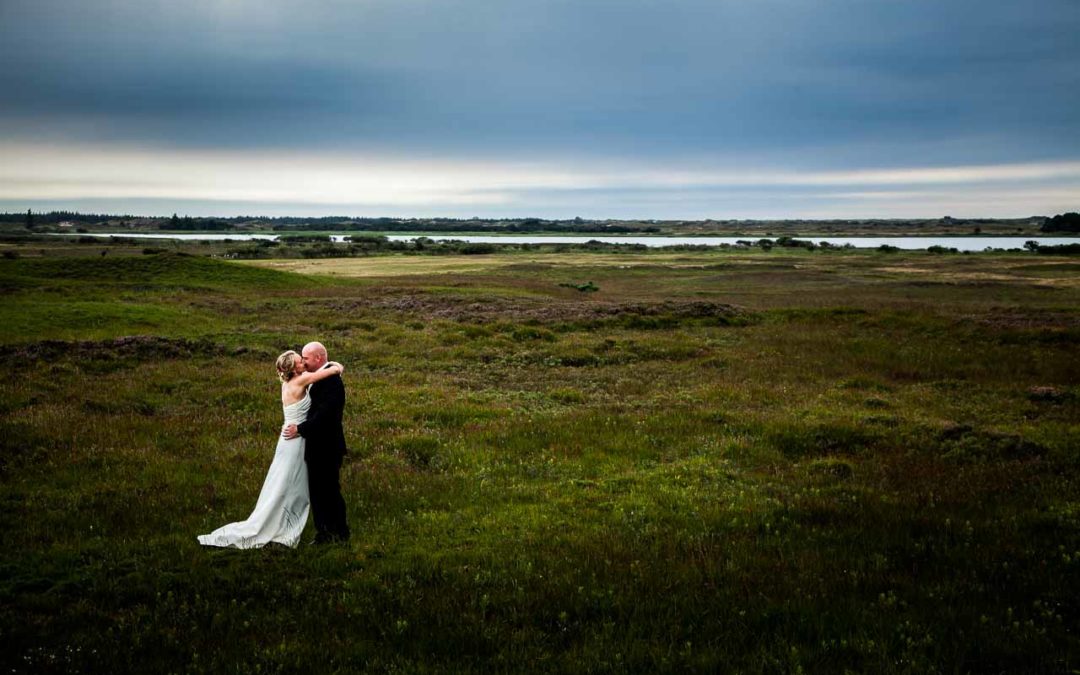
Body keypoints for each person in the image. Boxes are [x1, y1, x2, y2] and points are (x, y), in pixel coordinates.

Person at [197, 350, 344, 549]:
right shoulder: (303, 380)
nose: (304, 364)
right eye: (301, 362)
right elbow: (327, 372)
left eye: (304, 360)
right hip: (296, 436)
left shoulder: (288, 383)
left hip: (288, 437)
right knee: (287, 482)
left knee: (282, 481)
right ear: (293, 368)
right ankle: (281, 522)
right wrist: (336, 366)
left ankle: (283, 518)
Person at [282, 341, 350, 544]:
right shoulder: (314, 376)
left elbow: (326, 414)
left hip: (328, 445)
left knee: (329, 490)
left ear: (319, 359)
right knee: (317, 491)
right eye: (301, 358)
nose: (303, 361)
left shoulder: (332, 381)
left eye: (306, 358)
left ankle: (340, 532)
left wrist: (301, 429)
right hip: (314, 444)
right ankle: (323, 532)